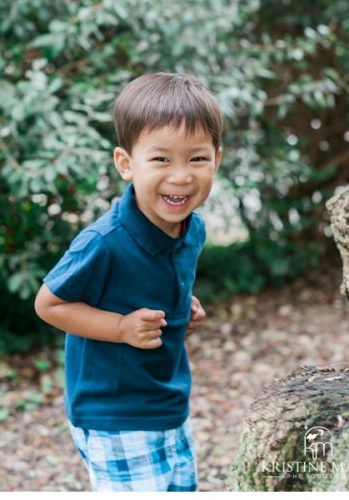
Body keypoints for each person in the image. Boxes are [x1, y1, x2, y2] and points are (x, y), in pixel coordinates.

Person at [34, 72, 221, 492]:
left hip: (167, 401)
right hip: (113, 411)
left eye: (196, 159)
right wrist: (120, 328)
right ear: (125, 163)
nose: (181, 176)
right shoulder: (105, 243)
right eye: (161, 159)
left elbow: (162, 279)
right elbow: (49, 305)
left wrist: (184, 305)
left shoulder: (192, 230)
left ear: (217, 161)